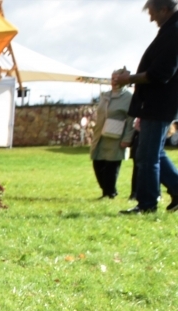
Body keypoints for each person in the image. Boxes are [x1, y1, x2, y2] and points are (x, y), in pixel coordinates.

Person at [113, 0, 178, 213]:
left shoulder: (174, 32)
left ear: (164, 9)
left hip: (159, 103)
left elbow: (160, 73)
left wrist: (127, 79)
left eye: (152, 13)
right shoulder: (169, 30)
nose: (151, 18)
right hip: (158, 102)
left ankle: (147, 203)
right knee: (153, 153)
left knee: (147, 156)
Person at [90, 81, 135, 199]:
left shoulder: (128, 97)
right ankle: (106, 190)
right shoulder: (105, 95)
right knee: (97, 162)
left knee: (111, 165)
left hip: (117, 136)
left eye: (118, 78)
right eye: (113, 78)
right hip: (101, 135)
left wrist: (127, 138)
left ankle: (109, 193)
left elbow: (131, 120)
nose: (115, 81)